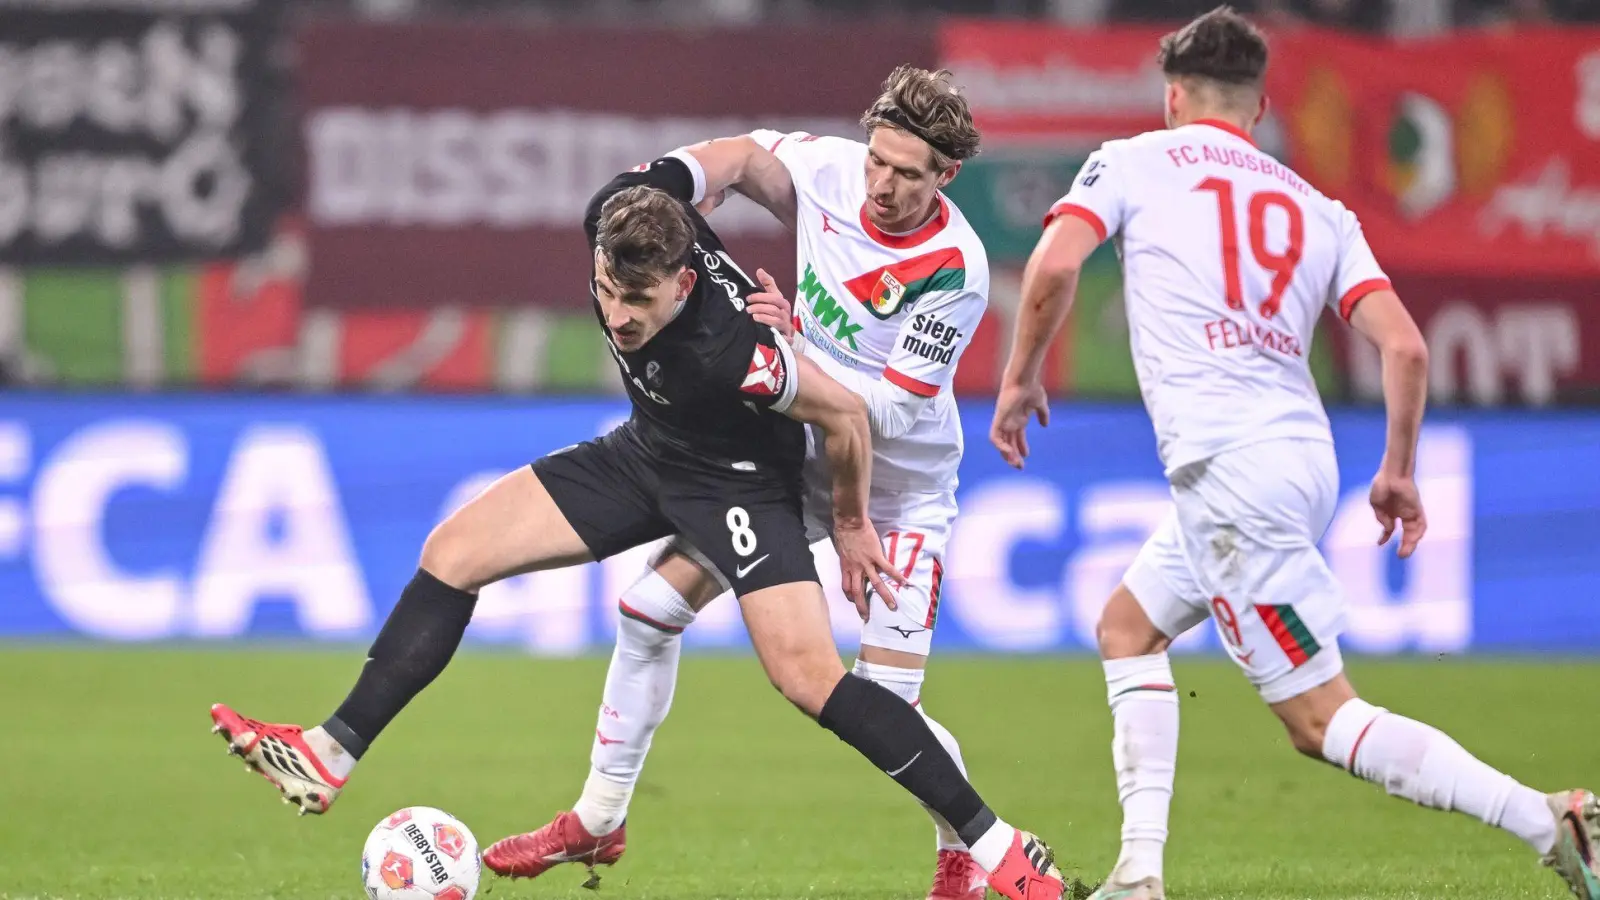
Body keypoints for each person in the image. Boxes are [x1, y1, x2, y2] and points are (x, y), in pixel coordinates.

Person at [210, 150, 1066, 900]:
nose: (618, 316)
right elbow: (707, 161)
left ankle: (999, 848)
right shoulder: (619, 215)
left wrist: (848, 524)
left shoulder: (736, 351)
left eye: (639, 301)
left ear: (685, 282)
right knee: (453, 552)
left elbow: (843, 419)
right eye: (607, 292)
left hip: (737, 483)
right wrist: (719, 163)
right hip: (645, 454)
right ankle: (332, 751)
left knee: (809, 677)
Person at [989, 7, 1600, 900]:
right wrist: (1398, 470)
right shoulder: (1319, 207)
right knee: (1127, 627)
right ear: (1261, 108)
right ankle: (1138, 874)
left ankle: (1548, 818)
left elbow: (1050, 266)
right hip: (1298, 459)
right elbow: (1406, 348)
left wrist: (1019, 378)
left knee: (1320, 719)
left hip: (1232, 474)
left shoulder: (1133, 161)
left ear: (1171, 98)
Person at [486, 65, 1003, 900]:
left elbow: (891, 416)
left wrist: (794, 355)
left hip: (893, 494)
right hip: (793, 467)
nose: (883, 185)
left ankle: (964, 853)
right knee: (647, 609)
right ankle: (599, 815)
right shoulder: (832, 171)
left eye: (910, 174)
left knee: (880, 708)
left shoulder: (956, 268)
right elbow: (738, 157)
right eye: (879, 160)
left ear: (947, 176)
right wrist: (668, 186)